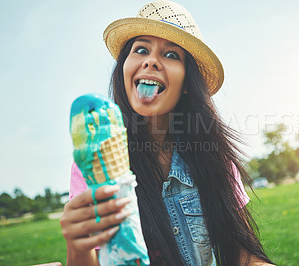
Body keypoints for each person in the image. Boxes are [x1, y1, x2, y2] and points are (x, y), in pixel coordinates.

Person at [60, 0, 274, 265]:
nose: (151, 61)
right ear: (124, 68)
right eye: (140, 50)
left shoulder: (215, 159)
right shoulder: (93, 164)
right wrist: (78, 246)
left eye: (171, 54)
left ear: (187, 83)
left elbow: (246, 257)